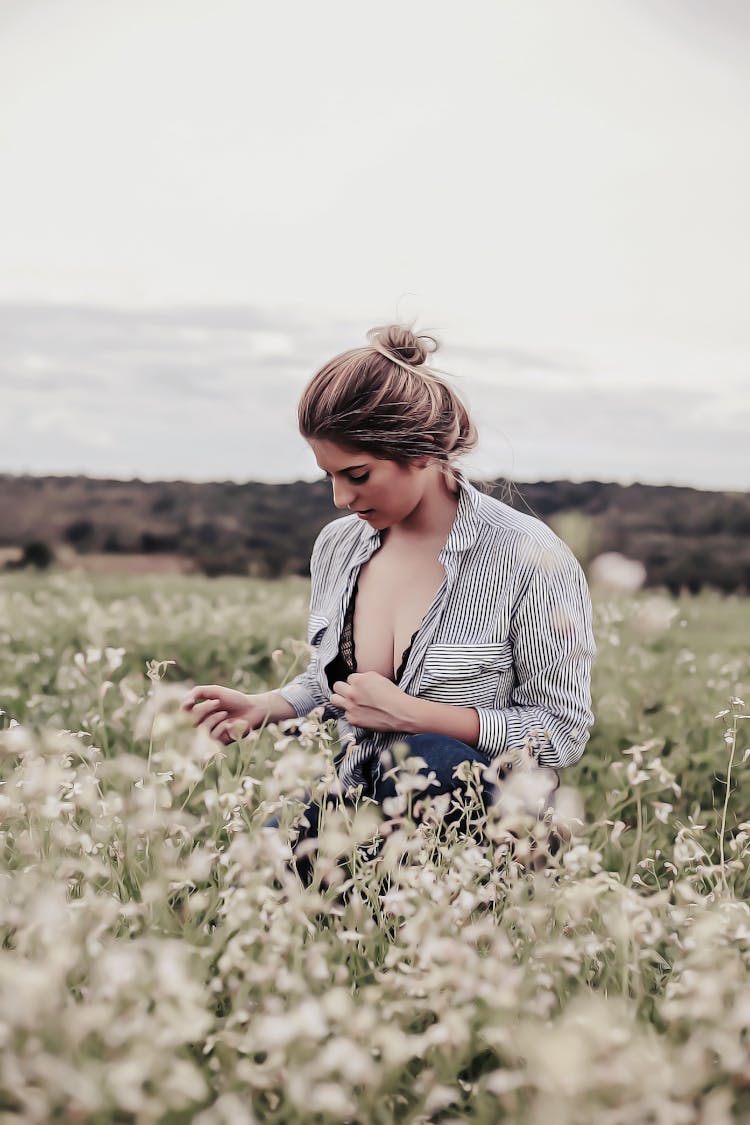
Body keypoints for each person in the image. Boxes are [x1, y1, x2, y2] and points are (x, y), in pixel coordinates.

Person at [182, 323, 596, 882]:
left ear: (422, 451)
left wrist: (419, 716)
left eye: (357, 475)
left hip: (489, 821)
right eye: (328, 475)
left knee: (429, 756)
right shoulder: (338, 546)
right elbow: (335, 685)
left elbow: (561, 729)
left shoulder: (530, 555)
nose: (341, 497)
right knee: (255, 878)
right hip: (363, 792)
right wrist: (269, 705)